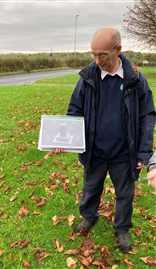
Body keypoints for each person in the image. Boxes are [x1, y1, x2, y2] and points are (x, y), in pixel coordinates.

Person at [53, 27, 155, 253]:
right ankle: (89, 217)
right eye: (93, 55)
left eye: (102, 55)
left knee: (125, 194)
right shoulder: (88, 77)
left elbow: (147, 115)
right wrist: (64, 138)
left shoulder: (135, 78)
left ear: (118, 50)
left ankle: (122, 228)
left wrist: (143, 153)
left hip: (124, 153)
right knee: (90, 188)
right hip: (94, 151)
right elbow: (74, 110)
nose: (97, 60)